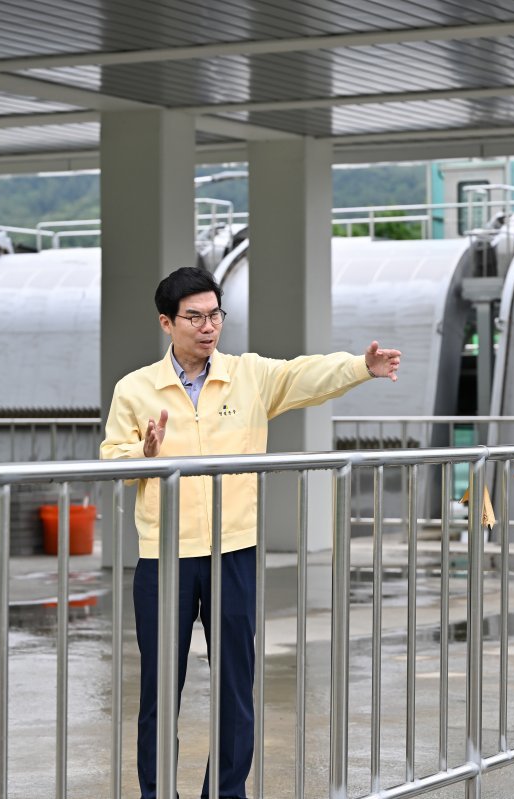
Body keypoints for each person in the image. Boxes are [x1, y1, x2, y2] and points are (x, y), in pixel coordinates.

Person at [100, 267, 401, 799]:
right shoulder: (136, 388)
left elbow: (306, 375)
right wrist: (143, 454)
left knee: (236, 684)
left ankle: (226, 792)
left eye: (215, 315)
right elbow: (112, 463)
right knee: (160, 687)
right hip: (164, 556)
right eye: (194, 317)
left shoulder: (248, 375)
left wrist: (361, 367)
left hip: (233, 551)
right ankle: (156, 792)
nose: (208, 326)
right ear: (166, 323)